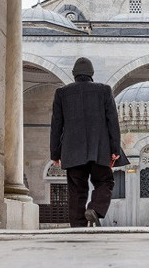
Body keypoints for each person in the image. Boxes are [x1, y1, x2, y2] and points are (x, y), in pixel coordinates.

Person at [50, 56, 129, 227]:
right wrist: (115, 149)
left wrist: (55, 153)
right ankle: (95, 209)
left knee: (76, 190)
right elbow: (112, 122)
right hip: (100, 149)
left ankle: (78, 227)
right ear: (92, 74)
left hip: (72, 151)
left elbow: (56, 125)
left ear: (74, 74)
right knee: (104, 181)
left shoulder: (62, 93)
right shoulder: (104, 90)